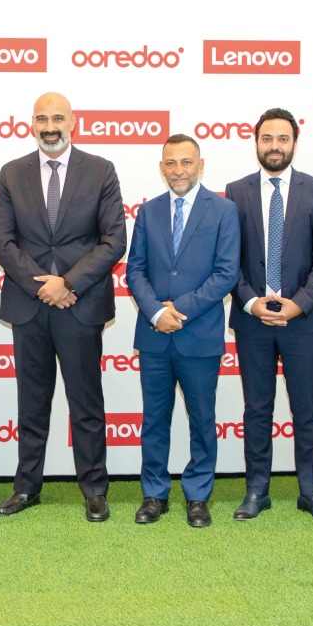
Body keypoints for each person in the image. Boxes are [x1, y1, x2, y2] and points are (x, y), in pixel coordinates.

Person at [0, 91, 127, 522]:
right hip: (30, 307)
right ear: (32, 123)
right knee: (31, 404)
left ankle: (94, 489)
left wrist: (67, 283)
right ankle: (26, 487)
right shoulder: (12, 173)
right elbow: (1, 241)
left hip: (80, 305)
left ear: (73, 122)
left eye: (58, 118)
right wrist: (42, 286)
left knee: (86, 402)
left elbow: (113, 240)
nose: (50, 126)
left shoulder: (101, 171)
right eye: (42, 118)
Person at [225, 108, 313, 524]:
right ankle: (257, 489)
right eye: (267, 138)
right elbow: (228, 259)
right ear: (256, 142)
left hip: (303, 320)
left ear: (295, 142)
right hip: (252, 318)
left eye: (283, 138)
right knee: (257, 408)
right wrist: (251, 301)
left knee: (306, 408)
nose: (275, 146)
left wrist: (300, 303)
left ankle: (310, 492)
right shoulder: (235, 191)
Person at [126, 134, 239, 528]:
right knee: (154, 419)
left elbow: (226, 273)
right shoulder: (148, 211)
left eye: (186, 162)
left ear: (200, 165)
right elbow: (134, 270)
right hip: (155, 335)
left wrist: (181, 309)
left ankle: (197, 495)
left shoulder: (224, 211)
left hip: (199, 335)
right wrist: (157, 312)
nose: (178, 170)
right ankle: (154, 493)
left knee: (202, 420)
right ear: (161, 168)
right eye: (171, 163)